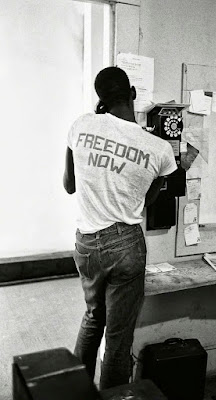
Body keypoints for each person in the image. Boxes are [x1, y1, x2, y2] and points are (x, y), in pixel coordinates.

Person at [63, 66, 177, 389]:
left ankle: (73, 391)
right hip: (125, 244)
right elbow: (148, 197)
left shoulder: (80, 126)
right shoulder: (159, 149)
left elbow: (69, 185)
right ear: (133, 94)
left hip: (85, 244)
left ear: (101, 99)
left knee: (92, 318)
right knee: (117, 338)